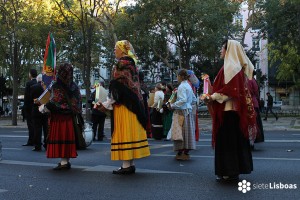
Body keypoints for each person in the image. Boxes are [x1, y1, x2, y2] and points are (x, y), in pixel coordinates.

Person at [204, 40, 255, 182]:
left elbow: (231, 92)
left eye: (222, 49)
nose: (221, 51)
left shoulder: (232, 67)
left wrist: (212, 96)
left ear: (229, 51)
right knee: (234, 142)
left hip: (229, 112)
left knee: (228, 143)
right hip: (232, 112)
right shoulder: (231, 67)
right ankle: (234, 169)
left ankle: (229, 170)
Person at [97, 40, 150, 175]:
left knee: (125, 132)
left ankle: (126, 165)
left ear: (122, 50)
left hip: (124, 106)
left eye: (116, 48)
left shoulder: (121, 65)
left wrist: (107, 103)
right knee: (131, 132)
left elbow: (118, 87)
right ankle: (130, 164)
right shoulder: (133, 65)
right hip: (134, 105)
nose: (114, 50)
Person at [39, 63, 82, 170]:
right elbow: (78, 102)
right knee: (67, 139)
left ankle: (63, 163)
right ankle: (66, 160)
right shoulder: (74, 86)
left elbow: (54, 102)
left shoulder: (57, 85)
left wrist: (43, 107)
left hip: (59, 117)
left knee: (60, 138)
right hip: (70, 117)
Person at [170, 69, 197, 160]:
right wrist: (189, 105)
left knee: (180, 133)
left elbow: (183, 100)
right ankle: (186, 152)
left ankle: (180, 152)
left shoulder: (181, 86)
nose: (177, 78)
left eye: (177, 76)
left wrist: (173, 105)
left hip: (181, 112)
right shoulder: (188, 85)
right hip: (188, 112)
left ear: (180, 76)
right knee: (188, 133)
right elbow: (194, 99)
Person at [30, 74, 48, 151]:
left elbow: (30, 99)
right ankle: (47, 144)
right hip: (45, 109)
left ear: (37, 79)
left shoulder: (33, 87)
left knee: (37, 129)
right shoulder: (46, 88)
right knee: (46, 128)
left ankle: (38, 145)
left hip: (36, 110)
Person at [248, 72, 264, 146]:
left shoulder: (247, 79)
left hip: (248, 104)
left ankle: (250, 142)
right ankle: (253, 141)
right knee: (254, 123)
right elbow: (256, 92)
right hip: (254, 103)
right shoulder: (253, 80)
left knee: (250, 124)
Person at [23, 69, 37, 146]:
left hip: (29, 108)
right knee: (36, 126)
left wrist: (25, 108)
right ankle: (36, 140)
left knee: (30, 125)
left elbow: (27, 97)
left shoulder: (29, 83)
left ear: (30, 74)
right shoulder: (38, 83)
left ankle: (31, 141)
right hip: (36, 107)